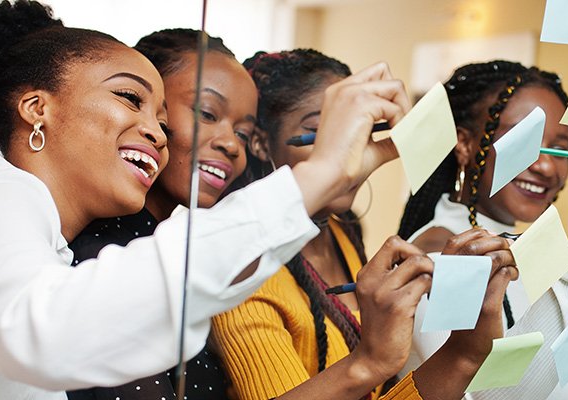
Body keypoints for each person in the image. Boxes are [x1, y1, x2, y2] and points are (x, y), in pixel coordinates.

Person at [0, 0, 409, 397]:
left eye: (160, 115)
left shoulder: (44, 238)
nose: (156, 130)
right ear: (37, 107)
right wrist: (315, 175)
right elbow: (48, 334)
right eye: (129, 99)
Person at [208, 49, 517, 400]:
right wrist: (370, 358)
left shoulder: (343, 236)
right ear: (263, 144)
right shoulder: (245, 272)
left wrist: (465, 352)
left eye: (359, 133)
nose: (350, 155)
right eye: (318, 136)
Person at [395, 60, 568, 399]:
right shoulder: (440, 259)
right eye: (523, 139)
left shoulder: (533, 251)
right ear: (465, 143)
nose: (546, 165)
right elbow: (484, 394)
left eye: (560, 145)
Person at [63, 28, 254, 400]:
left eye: (244, 134)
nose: (231, 144)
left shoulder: (168, 247)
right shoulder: (103, 256)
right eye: (207, 113)